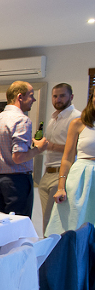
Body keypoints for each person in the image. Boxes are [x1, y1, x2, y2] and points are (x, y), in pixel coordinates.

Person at [0, 81, 49, 217]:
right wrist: (39, 148)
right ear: (20, 97)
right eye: (31, 95)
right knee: (18, 224)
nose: (34, 99)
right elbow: (18, 157)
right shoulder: (22, 120)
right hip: (17, 182)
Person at [47, 90, 95, 235]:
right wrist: (61, 187)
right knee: (72, 227)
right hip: (80, 178)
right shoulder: (79, 123)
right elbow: (67, 158)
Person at [39, 83, 81, 233]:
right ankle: (49, 247)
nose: (58, 99)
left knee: (54, 222)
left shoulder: (76, 118)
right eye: (55, 96)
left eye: (62, 96)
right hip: (47, 172)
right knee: (46, 220)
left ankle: (55, 248)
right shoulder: (53, 119)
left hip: (62, 173)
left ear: (71, 97)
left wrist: (50, 146)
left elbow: (77, 148)